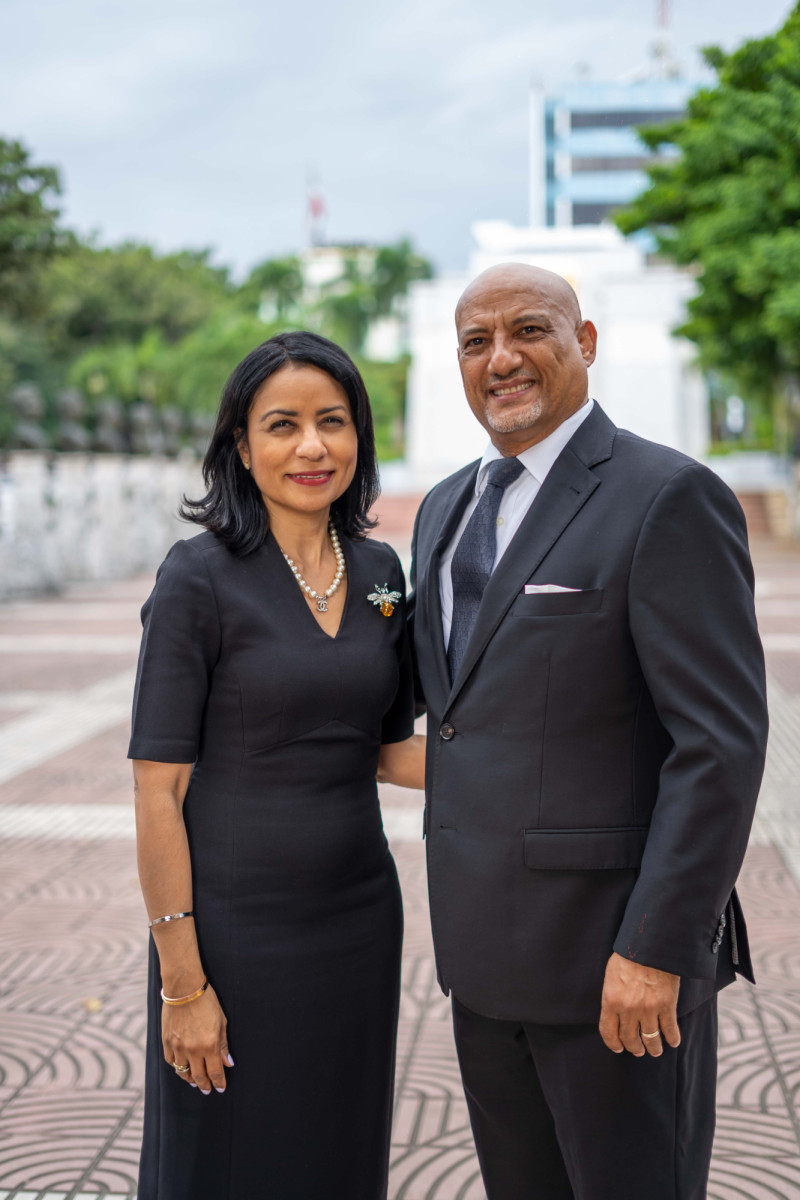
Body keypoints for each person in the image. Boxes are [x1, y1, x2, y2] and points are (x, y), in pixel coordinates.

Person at [407, 263, 768, 1200]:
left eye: (529, 330)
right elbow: (462, 717)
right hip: (482, 970)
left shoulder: (667, 496)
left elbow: (719, 748)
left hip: (615, 971)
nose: (502, 359)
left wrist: (657, 948)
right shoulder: (445, 510)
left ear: (586, 344)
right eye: (476, 342)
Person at [130, 331, 425, 1200]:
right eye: (282, 424)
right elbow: (158, 791)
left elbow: (386, 749)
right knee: (226, 1160)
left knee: (337, 1151)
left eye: (332, 422)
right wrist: (182, 985)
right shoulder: (199, 577)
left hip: (359, 922)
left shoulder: (378, 573)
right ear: (240, 445)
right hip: (232, 929)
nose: (311, 446)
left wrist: (532, 764)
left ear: (359, 437)